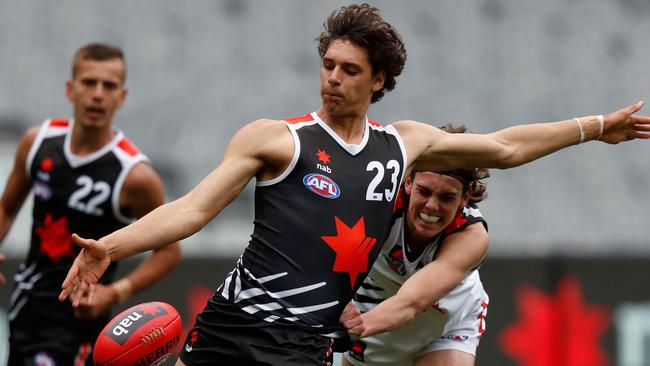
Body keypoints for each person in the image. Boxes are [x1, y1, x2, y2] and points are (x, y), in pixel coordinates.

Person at [59, 4, 650, 366]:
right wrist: (110, 246)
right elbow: (191, 210)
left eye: (350, 71)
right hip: (230, 322)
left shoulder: (404, 144)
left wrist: (597, 127)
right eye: (328, 65)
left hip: (301, 346)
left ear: (379, 81)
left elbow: (504, 148)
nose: (333, 80)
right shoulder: (276, 139)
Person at [0, 43, 181, 365]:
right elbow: (7, 208)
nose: (98, 93)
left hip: (80, 319)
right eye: (88, 82)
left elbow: (169, 250)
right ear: (71, 89)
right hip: (25, 305)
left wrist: (116, 292)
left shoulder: (135, 175)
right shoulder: (37, 142)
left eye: (109, 85)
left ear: (121, 97)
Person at [339, 125, 490, 366]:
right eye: (424, 191)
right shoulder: (378, 206)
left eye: (447, 197)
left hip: (446, 323)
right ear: (408, 182)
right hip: (375, 309)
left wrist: (349, 329)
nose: (431, 206)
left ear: (465, 197)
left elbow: (411, 302)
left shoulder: (471, 236)